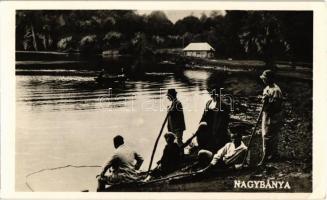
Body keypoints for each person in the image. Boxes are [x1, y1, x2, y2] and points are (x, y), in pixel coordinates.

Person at [259, 70, 283, 165]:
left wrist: (267, 102)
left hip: (272, 115)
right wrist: (264, 100)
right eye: (263, 79)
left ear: (270, 79)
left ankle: (266, 156)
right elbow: (265, 101)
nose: (264, 80)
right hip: (266, 113)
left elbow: (276, 106)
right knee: (266, 134)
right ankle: (272, 154)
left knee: (268, 135)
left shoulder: (276, 90)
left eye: (265, 79)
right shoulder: (267, 88)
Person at [200, 84, 231, 153]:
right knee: (209, 145)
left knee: (218, 147)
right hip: (208, 128)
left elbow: (225, 120)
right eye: (211, 92)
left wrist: (220, 130)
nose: (212, 94)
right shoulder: (208, 103)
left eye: (215, 93)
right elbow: (204, 115)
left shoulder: (223, 105)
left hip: (218, 129)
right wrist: (201, 123)